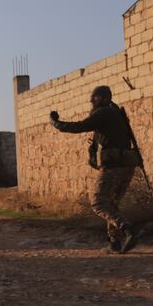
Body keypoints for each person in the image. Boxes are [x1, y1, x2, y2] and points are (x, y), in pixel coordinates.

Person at [50, 86, 139, 254]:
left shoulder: (104, 112)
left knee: (98, 202)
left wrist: (56, 123)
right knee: (111, 203)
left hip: (114, 166)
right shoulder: (114, 112)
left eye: (95, 97)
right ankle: (114, 242)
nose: (91, 100)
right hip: (126, 164)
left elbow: (79, 126)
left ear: (105, 99)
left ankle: (128, 229)